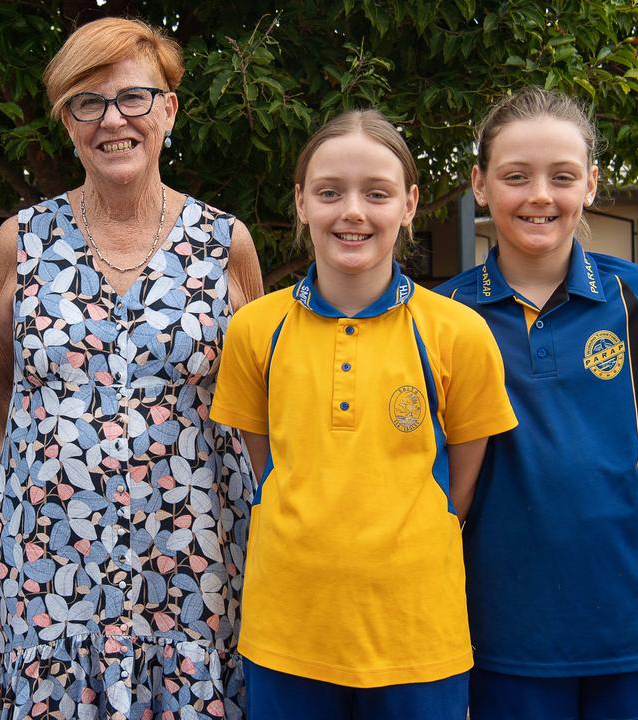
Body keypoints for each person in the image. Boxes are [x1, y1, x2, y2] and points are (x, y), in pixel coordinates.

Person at [0, 16, 264, 719]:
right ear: (66, 121)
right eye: (87, 101)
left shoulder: (225, 243)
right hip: (53, 557)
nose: (113, 120)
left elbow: (254, 394)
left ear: (168, 107)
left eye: (133, 97)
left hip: (193, 556)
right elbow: (0, 383)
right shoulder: (22, 241)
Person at [210, 110, 518, 719]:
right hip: (287, 629)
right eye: (329, 192)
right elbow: (265, 457)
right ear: (301, 204)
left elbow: (464, 471)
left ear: (409, 204)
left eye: (376, 193)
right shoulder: (254, 331)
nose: (352, 211)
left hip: (417, 631)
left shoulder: (457, 332)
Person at [437, 88, 638, 720]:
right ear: (479, 184)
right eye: (515, 176)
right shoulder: (441, 316)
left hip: (634, 609)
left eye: (562, 177)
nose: (539, 196)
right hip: (502, 616)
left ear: (591, 185)